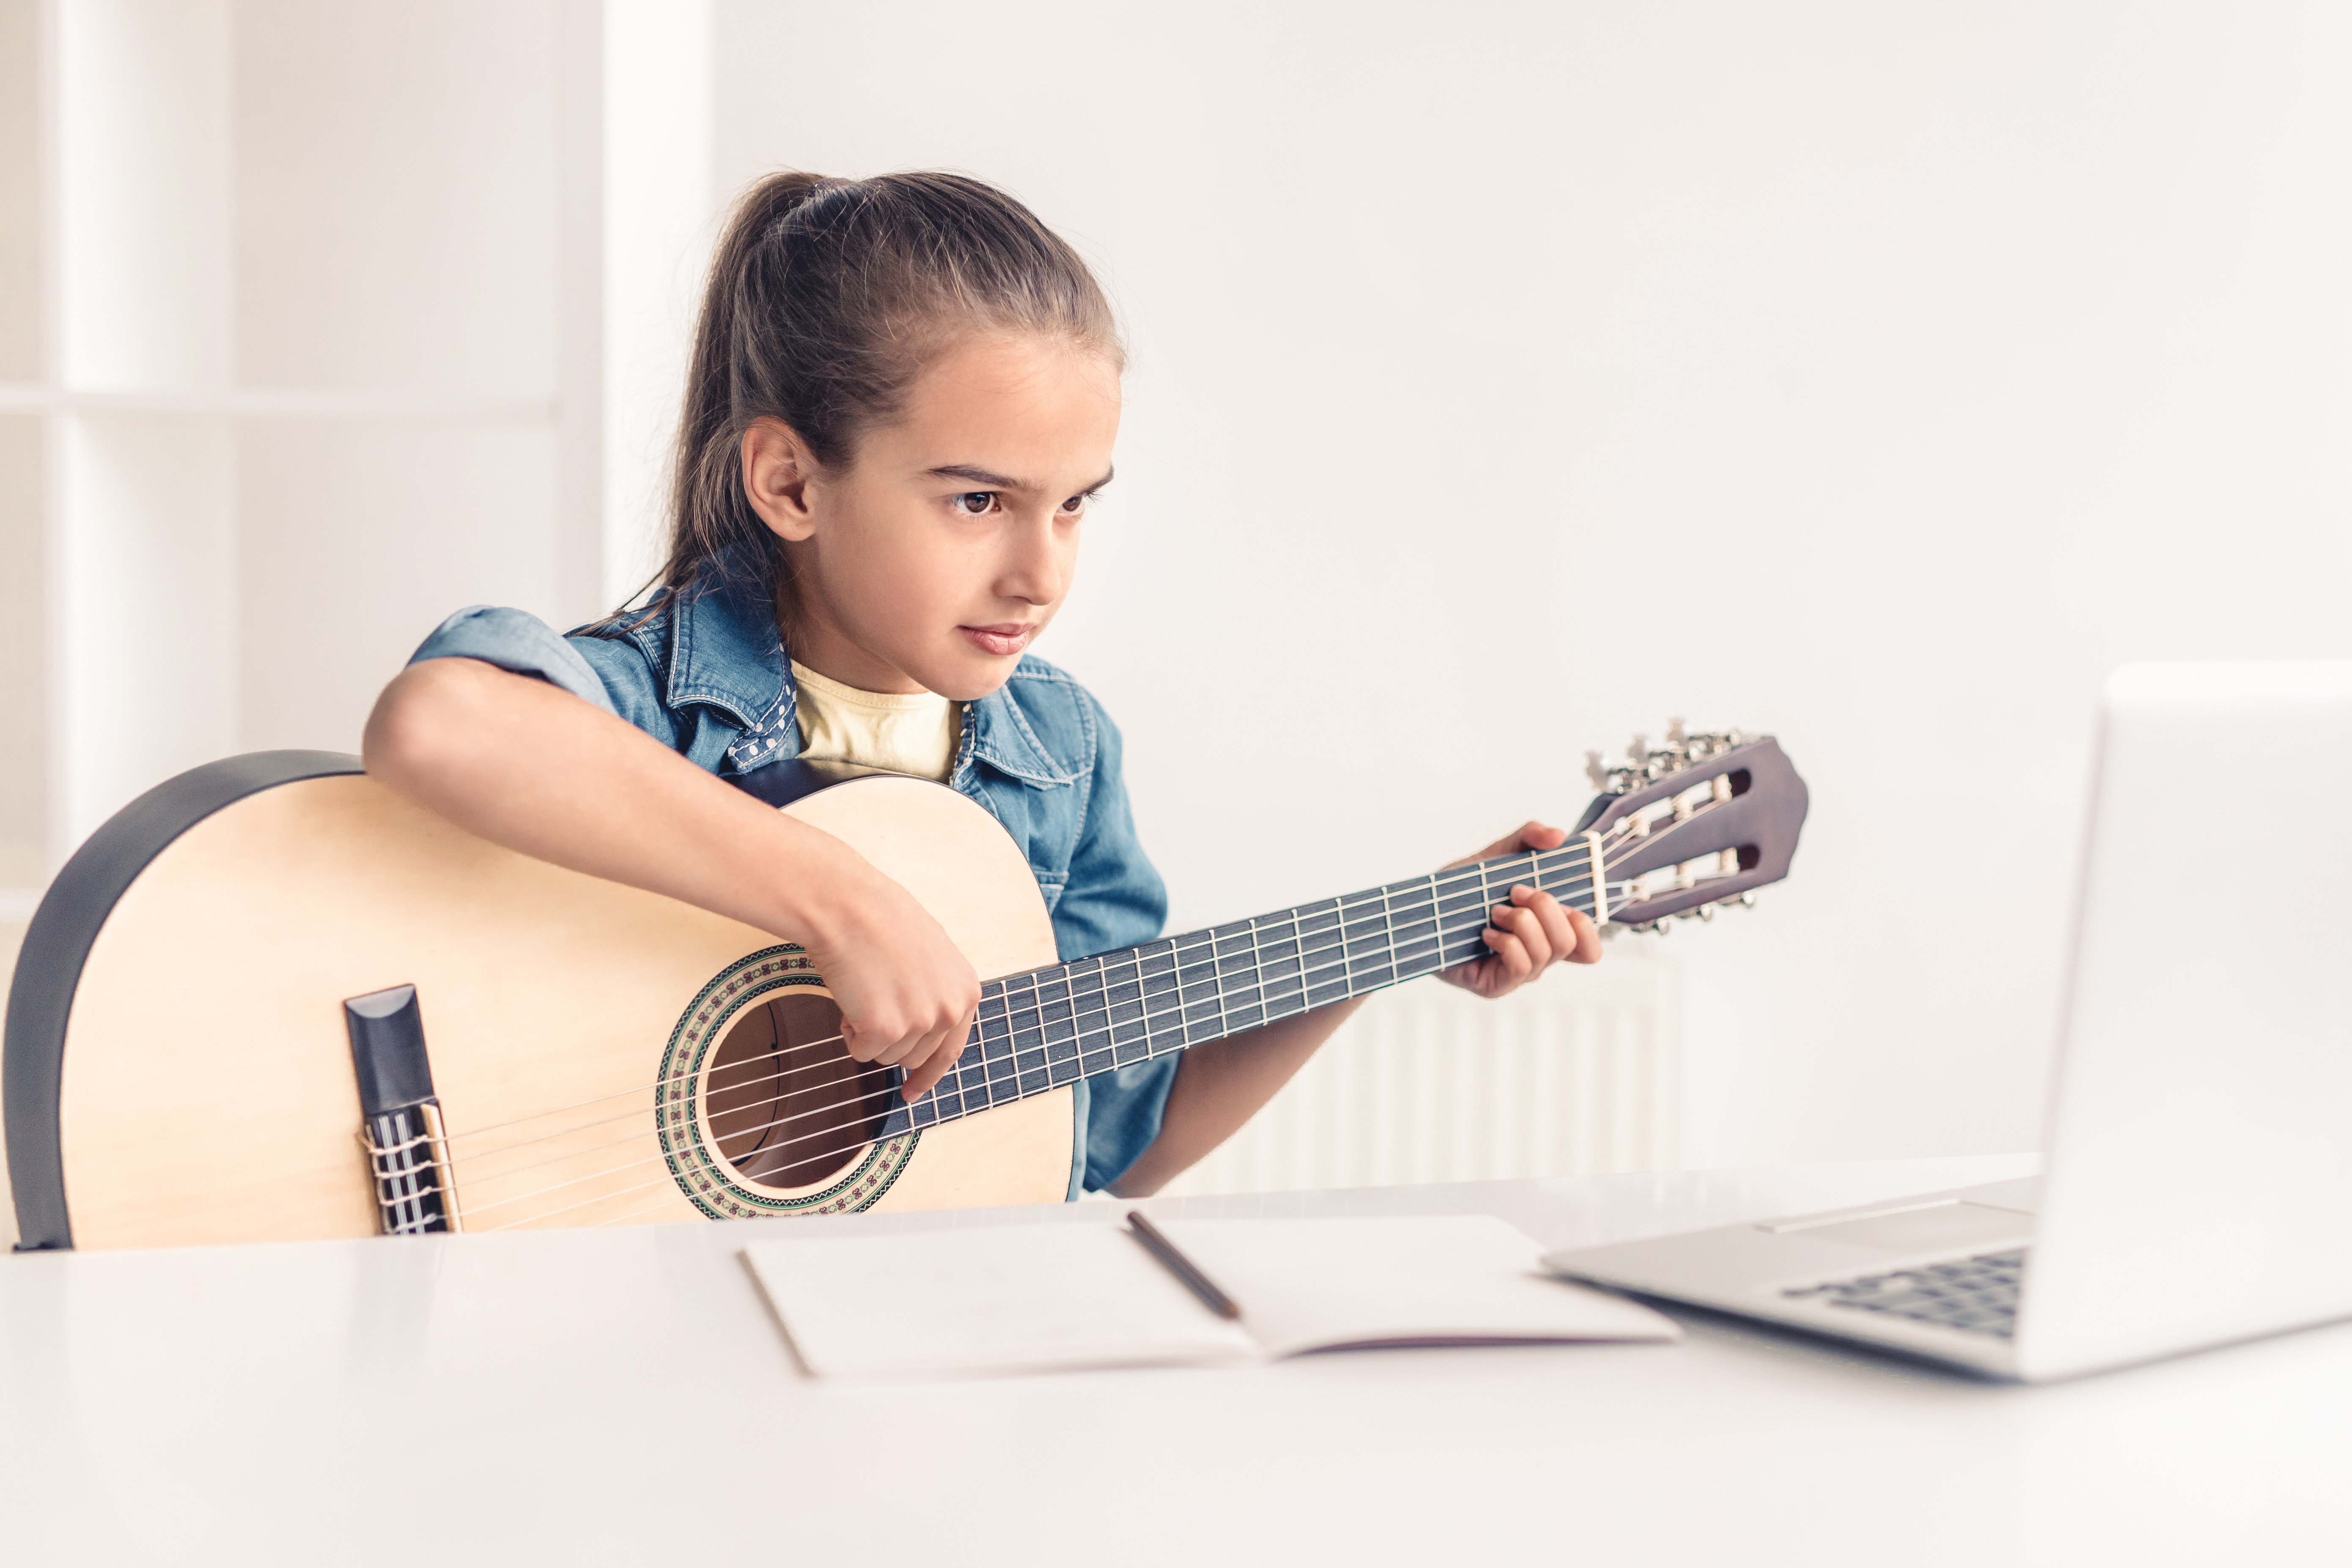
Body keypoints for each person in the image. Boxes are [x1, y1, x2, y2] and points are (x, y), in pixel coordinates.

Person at [364, 170, 1599, 1201]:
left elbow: (1116, 1139)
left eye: (1073, 505)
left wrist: (1397, 938)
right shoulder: (655, 702)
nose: (1039, 569)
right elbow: (441, 721)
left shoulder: (1059, 754)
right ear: (790, 483)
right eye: (977, 501)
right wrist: (846, 905)